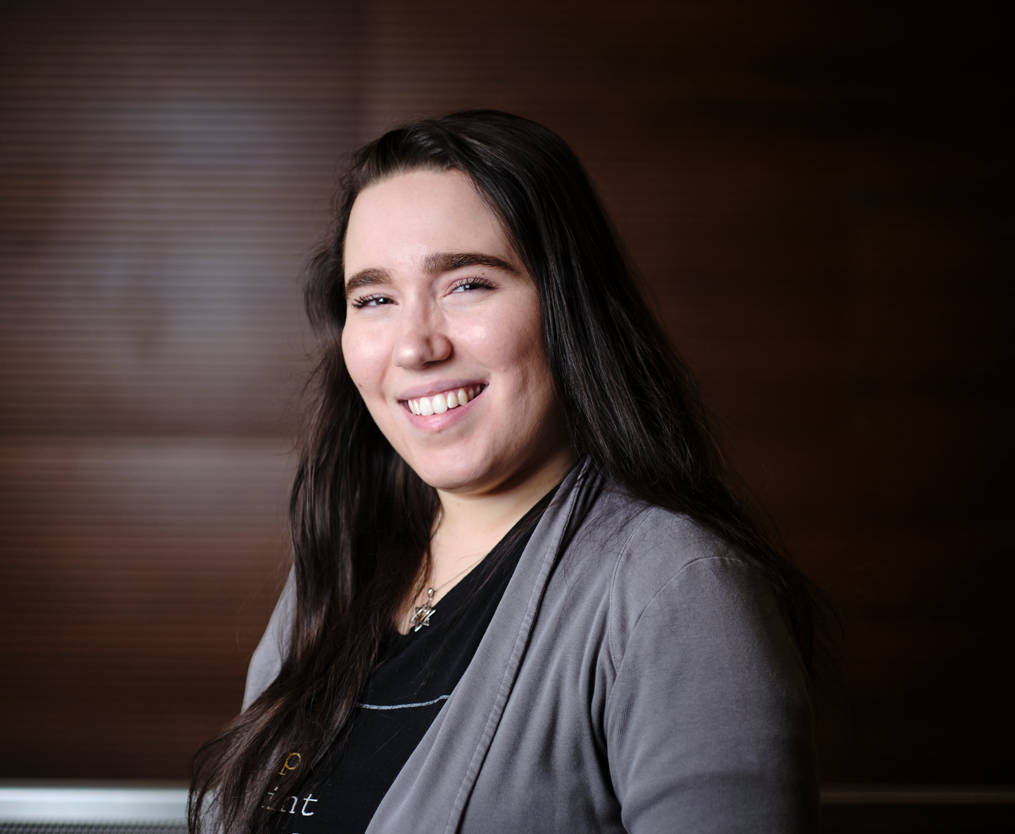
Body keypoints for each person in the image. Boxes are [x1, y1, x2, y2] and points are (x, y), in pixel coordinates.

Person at [191, 110, 822, 833]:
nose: (415, 346)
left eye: (467, 285)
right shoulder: (336, 572)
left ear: (567, 304)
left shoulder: (677, 589)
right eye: (374, 299)